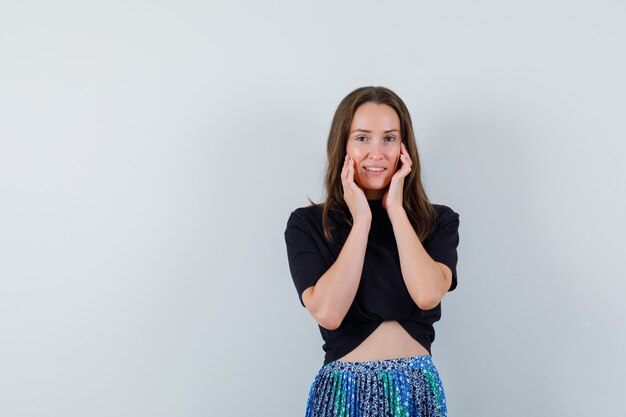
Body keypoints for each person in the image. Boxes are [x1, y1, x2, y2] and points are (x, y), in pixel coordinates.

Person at [284, 86, 460, 417]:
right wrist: (362, 218)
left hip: (414, 391)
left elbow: (426, 294)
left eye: (389, 139)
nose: (376, 152)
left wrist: (395, 208)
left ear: (404, 148)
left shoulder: (438, 221)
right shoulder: (307, 224)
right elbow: (329, 312)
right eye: (363, 138)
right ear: (343, 146)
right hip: (343, 393)